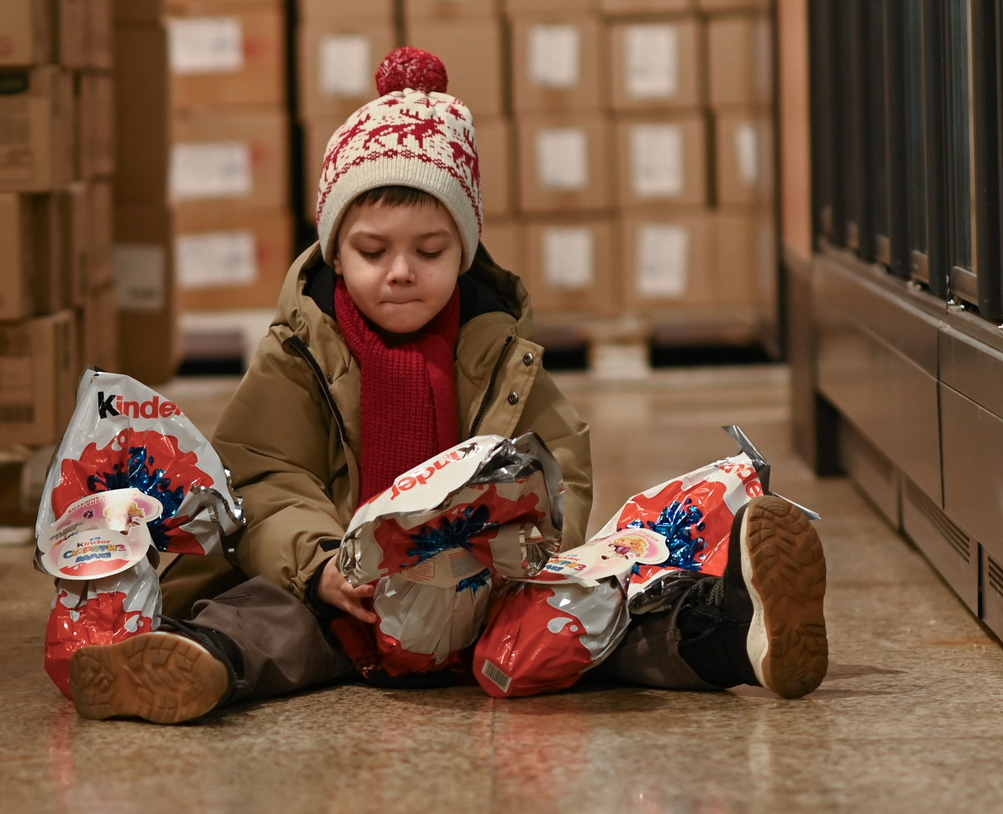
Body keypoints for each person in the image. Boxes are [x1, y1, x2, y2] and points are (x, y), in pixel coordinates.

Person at [68, 47, 828, 724]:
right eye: (372, 251)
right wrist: (323, 563)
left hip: (483, 602)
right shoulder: (300, 353)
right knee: (261, 614)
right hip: (346, 600)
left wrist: (534, 546)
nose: (400, 272)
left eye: (430, 249)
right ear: (335, 250)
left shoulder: (496, 347)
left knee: (594, 621)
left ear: (463, 250)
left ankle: (736, 629)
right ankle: (193, 661)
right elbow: (261, 471)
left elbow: (559, 452)